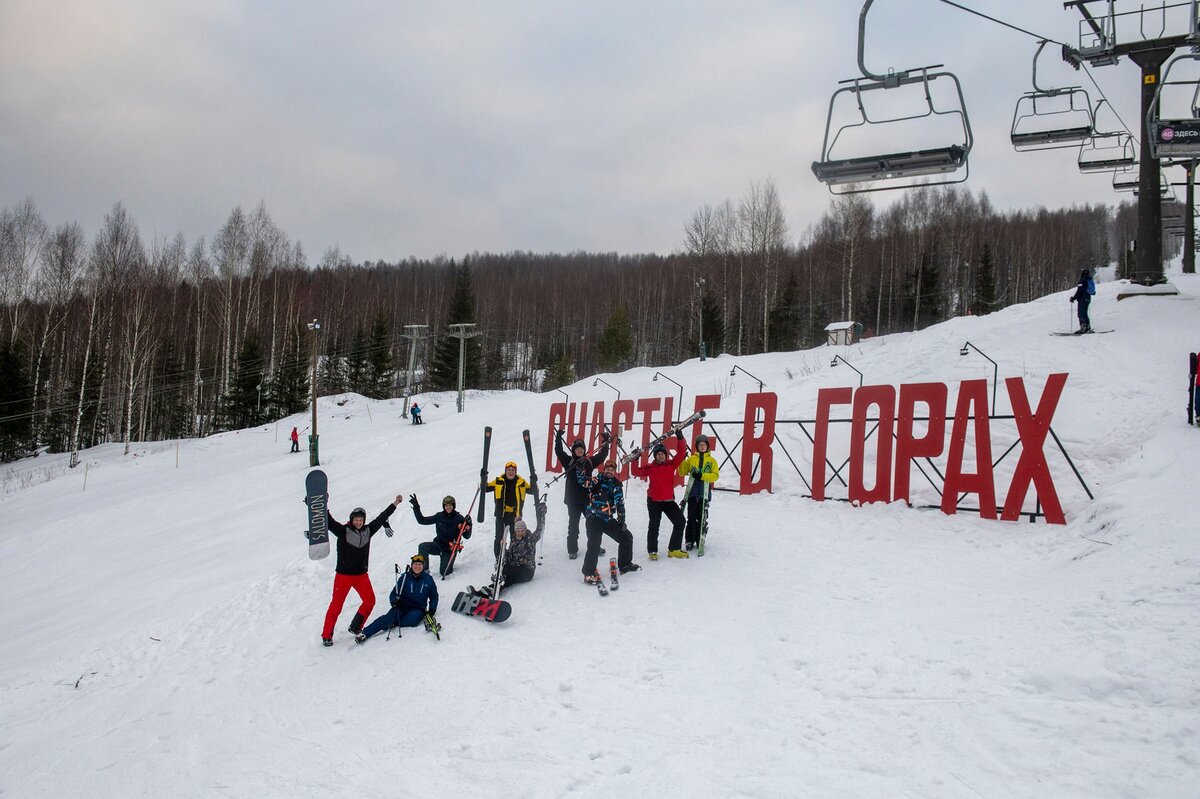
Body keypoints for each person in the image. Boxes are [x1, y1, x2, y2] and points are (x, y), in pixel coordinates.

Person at [321, 494, 402, 646]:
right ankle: (326, 635)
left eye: (361, 519)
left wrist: (395, 503)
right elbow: (329, 522)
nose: (358, 522)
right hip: (343, 576)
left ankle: (356, 626)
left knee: (370, 600)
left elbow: (381, 518)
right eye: (356, 519)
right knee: (336, 606)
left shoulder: (368, 531)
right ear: (352, 520)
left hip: (361, 576)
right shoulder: (343, 531)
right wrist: (321, 505)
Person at [629, 429, 687, 560]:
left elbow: (682, 453)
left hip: (668, 501)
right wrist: (634, 460)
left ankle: (674, 549)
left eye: (663, 454)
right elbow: (636, 472)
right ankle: (652, 551)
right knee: (654, 526)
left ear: (666, 455)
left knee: (680, 522)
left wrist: (680, 438)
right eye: (658, 454)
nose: (661, 456)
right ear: (655, 456)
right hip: (654, 501)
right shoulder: (650, 467)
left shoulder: (671, 465)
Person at [554, 428, 610, 559]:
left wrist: (606, 441)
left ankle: (594, 546)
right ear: (573, 450)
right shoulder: (568, 461)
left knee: (592, 524)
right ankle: (572, 549)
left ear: (584, 450)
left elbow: (602, 456)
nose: (579, 450)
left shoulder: (589, 461)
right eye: (577, 449)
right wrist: (558, 438)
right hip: (573, 500)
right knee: (573, 525)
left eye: (581, 449)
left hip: (587, 498)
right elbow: (559, 451)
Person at [578, 460, 638, 583]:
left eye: (612, 470)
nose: (609, 471)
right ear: (604, 469)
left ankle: (625, 565)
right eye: (607, 469)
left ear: (614, 471)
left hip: (608, 519)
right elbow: (583, 482)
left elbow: (620, 503)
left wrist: (622, 520)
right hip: (594, 518)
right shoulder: (596, 480)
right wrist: (579, 468)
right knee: (594, 544)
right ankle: (588, 573)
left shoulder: (617, 485)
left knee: (627, 537)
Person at [357, 554, 439, 642]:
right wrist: (394, 601)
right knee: (387, 619)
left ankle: (393, 622)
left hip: (418, 608)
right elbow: (393, 593)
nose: (417, 567)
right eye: (415, 564)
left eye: (420, 565)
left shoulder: (428, 579)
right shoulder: (405, 578)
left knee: (413, 620)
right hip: (402, 605)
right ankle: (365, 633)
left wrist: (432, 610)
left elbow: (434, 596)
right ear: (412, 565)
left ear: (423, 566)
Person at [477, 516, 541, 597]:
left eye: (523, 530)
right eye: (518, 531)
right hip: (515, 568)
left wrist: (541, 514)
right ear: (515, 531)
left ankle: (494, 590)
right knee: (504, 573)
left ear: (526, 530)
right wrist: (503, 548)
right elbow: (510, 556)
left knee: (507, 573)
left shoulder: (530, 539)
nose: (521, 533)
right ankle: (484, 592)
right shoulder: (514, 541)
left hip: (527, 571)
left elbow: (540, 529)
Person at [411, 494, 473, 578]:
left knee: (444, 572)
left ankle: (446, 560)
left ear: (453, 506)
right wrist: (416, 507)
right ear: (444, 506)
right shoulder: (439, 516)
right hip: (438, 544)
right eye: (446, 506)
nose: (448, 507)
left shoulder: (459, 518)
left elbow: (467, 536)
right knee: (422, 546)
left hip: (450, 549)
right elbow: (422, 520)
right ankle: (424, 572)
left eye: (450, 505)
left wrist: (469, 525)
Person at [677, 434, 720, 553]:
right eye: (700, 445)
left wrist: (702, 475)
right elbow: (682, 472)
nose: (702, 447)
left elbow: (715, 476)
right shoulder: (692, 459)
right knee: (691, 517)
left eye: (704, 445)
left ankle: (699, 538)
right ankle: (689, 540)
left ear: (707, 446)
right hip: (692, 492)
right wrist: (682, 460)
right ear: (697, 446)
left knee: (701, 517)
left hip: (704, 494)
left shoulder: (712, 461)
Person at [486, 461, 528, 559]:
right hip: (501, 514)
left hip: (515, 516)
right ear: (505, 471)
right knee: (499, 538)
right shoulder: (499, 481)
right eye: (509, 470)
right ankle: (498, 558)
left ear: (515, 471)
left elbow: (532, 490)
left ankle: (514, 557)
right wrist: (484, 477)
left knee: (515, 538)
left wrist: (534, 481)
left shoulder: (521, 482)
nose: (511, 472)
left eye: (513, 470)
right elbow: (486, 488)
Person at [1069, 268, 1096, 334]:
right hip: (1088, 299)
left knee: (1081, 313)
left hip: (1082, 299)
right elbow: (1093, 292)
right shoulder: (1089, 279)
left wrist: (1073, 298)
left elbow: (1079, 290)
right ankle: (1088, 327)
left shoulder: (1082, 280)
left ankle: (1083, 328)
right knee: (1085, 313)